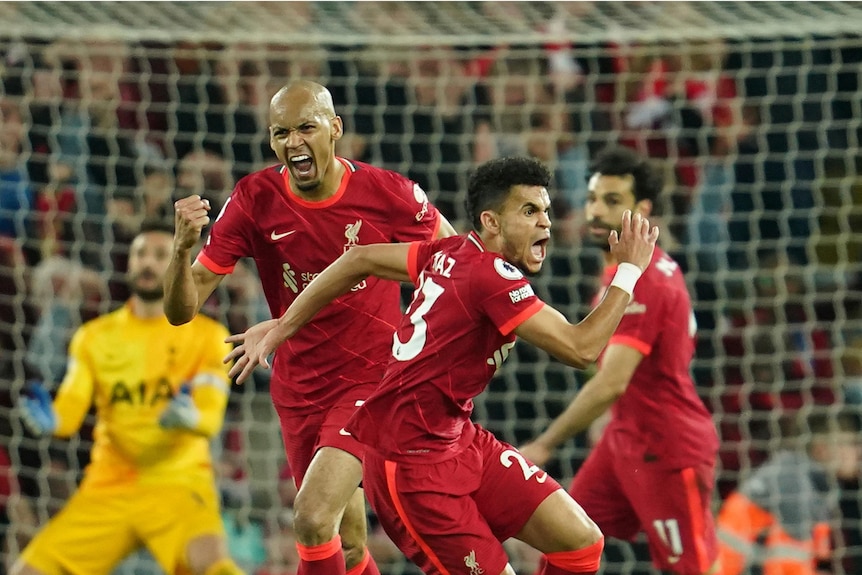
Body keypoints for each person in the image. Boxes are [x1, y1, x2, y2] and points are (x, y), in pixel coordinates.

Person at [226, 156, 660, 575]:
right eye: (529, 211)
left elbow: (356, 258)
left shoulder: (447, 252)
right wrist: (628, 272)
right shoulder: (490, 277)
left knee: (581, 543)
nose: (545, 221)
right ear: (491, 222)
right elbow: (581, 349)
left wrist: (284, 325)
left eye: (545, 210)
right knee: (323, 523)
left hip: (459, 440)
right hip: (411, 468)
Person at [164, 80, 456, 575]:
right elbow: (181, 310)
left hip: (373, 382)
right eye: (281, 133)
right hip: (299, 388)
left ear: (335, 128)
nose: (294, 142)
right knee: (348, 547)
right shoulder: (254, 199)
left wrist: (427, 340)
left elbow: (456, 263)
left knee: (312, 519)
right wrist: (180, 250)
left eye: (306, 127)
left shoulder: (389, 193)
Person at [518, 145, 721, 575]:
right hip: (623, 440)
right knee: (565, 543)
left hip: (666, 448)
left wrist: (545, 444)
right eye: (593, 199)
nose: (596, 212)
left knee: (690, 569)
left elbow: (613, 381)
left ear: (642, 210)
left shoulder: (642, 282)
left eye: (612, 202)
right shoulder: (626, 273)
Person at [11, 219, 242, 575]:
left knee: (215, 568)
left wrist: (191, 418)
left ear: (180, 263)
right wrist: (52, 421)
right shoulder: (95, 337)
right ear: (129, 262)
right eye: (140, 254)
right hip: (108, 486)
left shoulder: (208, 336)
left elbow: (210, 417)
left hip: (178, 483)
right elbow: (71, 409)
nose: (147, 262)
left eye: (160, 254)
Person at [716, 409, 861, 575]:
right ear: (822, 449)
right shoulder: (793, 483)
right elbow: (785, 567)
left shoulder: (805, 479)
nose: (858, 452)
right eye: (850, 443)